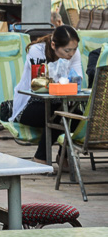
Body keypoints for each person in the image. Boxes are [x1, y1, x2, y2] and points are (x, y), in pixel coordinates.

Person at [11, 25, 82, 164]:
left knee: (78, 118)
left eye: (74, 49)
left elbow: (78, 79)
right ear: (54, 45)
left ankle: (64, 157)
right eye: (67, 50)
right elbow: (40, 84)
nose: (71, 54)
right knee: (59, 115)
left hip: (58, 103)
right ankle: (40, 157)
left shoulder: (74, 53)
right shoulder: (37, 51)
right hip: (28, 105)